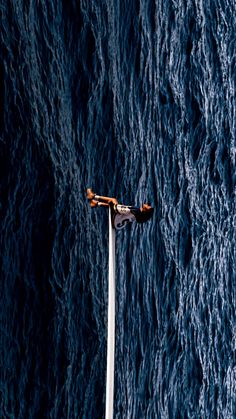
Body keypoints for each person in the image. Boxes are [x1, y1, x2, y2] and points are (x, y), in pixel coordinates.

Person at [87, 188, 154, 230]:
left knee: (113, 200)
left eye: (148, 206)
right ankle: (95, 204)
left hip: (116, 221)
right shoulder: (139, 214)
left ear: (145, 210)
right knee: (113, 204)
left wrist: (114, 204)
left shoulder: (136, 211)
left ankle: (93, 196)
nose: (147, 204)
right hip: (119, 225)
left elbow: (116, 208)